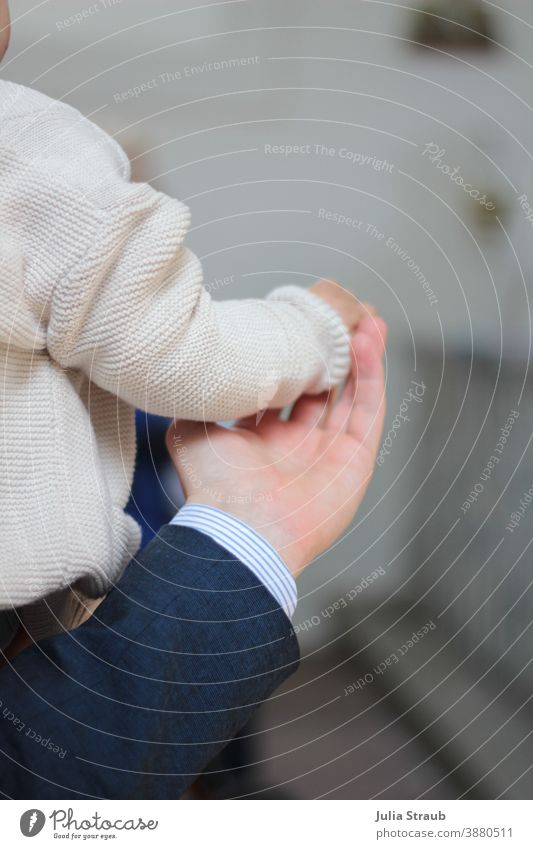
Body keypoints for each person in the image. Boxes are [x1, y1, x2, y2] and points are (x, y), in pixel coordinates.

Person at [0, 0, 373, 642]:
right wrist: (315, 328)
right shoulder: (31, 148)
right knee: (131, 702)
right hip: (33, 607)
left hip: (143, 529)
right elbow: (184, 359)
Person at [0, 315, 387, 799]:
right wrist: (317, 327)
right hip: (138, 575)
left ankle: (229, 785)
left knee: (214, 730)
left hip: (162, 560)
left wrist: (238, 528)